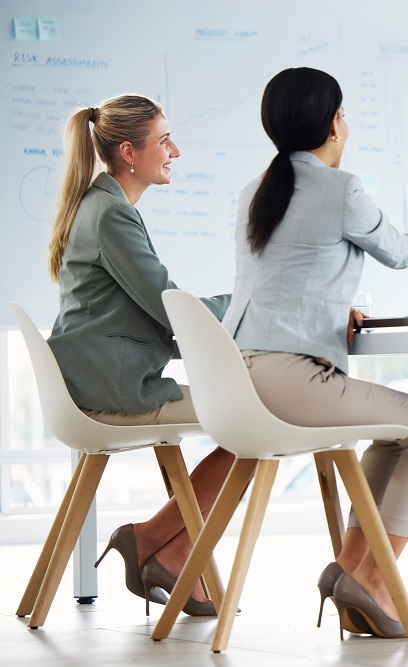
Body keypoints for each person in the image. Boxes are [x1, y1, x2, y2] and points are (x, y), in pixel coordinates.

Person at [221, 67, 408, 638]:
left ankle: (353, 570)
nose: (344, 125)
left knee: (393, 434)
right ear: (332, 123)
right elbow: (401, 253)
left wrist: (334, 311)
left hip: (238, 378)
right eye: (343, 114)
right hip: (293, 383)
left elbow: (285, 278)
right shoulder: (341, 187)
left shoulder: (254, 191)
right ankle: (374, 581)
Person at [46, 94, 234, 615]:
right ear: (129, 152)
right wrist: (251, 301)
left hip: (100, 376)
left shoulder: (103, 205)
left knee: (250, 418)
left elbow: (159, 308)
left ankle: (164, 549)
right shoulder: (111, 215)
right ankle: (156, 542)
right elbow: (169, 307)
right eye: (164, 140)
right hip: (112, 387)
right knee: (252, 423)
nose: (176, 150)